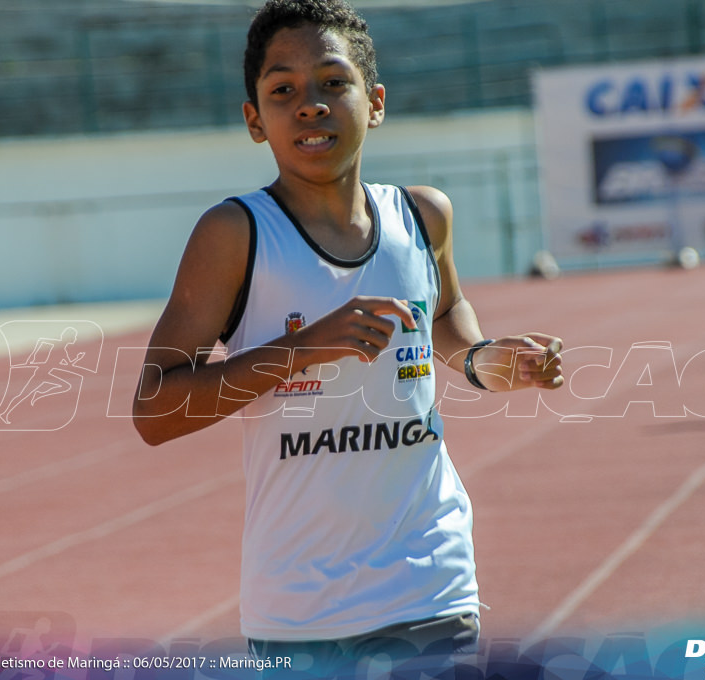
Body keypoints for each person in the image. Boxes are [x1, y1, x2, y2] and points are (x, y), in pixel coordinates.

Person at [132, 0, 564, 675]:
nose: (310, 105)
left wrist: (485, 360)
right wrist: (302, 349)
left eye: (334, 82)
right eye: (283, 91)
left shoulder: (423, 216)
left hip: (430, 579)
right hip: (298, 606)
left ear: (376, 101)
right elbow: (155, 411)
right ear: (254, 120)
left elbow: (444, 313)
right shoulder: (234, 236)